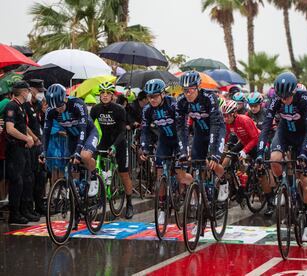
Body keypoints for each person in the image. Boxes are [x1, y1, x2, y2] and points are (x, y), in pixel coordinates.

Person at [256, 72, 307, 241]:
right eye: (281, 97)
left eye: (287, 97)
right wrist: (260, 153)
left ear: (294, 91)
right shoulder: (275, 100)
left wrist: (305, 152)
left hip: (303, 135)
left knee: (305, 179)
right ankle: (285, 187)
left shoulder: (304, 98)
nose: (284, 100)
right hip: (284, 132)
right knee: (274, 159)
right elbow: (266, 127)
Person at [139, 79, 193, 224]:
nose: (152, 99)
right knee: (159, 175)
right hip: (164, 141)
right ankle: (162, 208)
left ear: (163, 94)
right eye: (149, 97)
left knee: (180, 175)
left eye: (155, 96)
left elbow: (183, 128)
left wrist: (183, 150)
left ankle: (193, 190)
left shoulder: (173, 105)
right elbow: (144, 131)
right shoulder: (147, 109)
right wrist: (145, 148)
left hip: (179, 139)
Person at [176, 71, 228, 201]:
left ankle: (223, 181)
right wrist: (183, 150)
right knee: (195, 162)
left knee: (213, 162)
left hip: (216, 129)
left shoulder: (209, 97)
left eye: (191, 90)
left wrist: (212, 152)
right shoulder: (181, 101)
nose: (187, 93)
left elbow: (215, 124)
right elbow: (181, 128)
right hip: (200, 132)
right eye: (185, 90)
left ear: (198, 87)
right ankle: (200, 192)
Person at [41, 84, 99, 198]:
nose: (58, 110)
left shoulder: (78, 104)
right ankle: (77, 194)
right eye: (55, 108)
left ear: (65, 98)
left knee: (84, 156)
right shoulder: (50, 111)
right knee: (71, 164)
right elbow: (46, 133)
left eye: (60, 106)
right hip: (72, 137)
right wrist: (44, 152)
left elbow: (83, 130)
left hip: (88, 133)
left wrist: (78, 151)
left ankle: (94, 177)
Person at [90, 82, 134, 219]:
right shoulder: (95, 109)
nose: (104, 96)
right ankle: (99, 194)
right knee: (97, 168)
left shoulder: (119, 109)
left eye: (107, 93)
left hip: (119, 143)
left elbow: (122, 132)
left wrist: (114, 146)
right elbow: (90, 128)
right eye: (102, 93)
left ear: (112, 95)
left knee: (124, 174)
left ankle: (129, 203)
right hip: (104, 142)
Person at [4, 81, 38, 224]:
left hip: (24, 147)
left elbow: (23, 126)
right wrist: (26, 138)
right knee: (17, 181)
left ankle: (25, 210)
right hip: (15, 147)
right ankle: (14, 214)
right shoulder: (11, 106)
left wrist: (33, 137)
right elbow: (10, 129)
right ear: (23, 92)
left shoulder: (21, 106)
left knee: (27, 179)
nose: (29, 93)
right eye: (28, 90)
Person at [25, 79, 47, 216]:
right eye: (38, 91)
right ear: (31, 90)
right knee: (30, 177)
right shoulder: (25, 105)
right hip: (31, 145)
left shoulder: (39, 104)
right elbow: (24, 125)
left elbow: (41, 122)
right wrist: (34, 137)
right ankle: (29, 207)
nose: (40, 94)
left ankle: (40, 205)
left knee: (42, 176)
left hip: (40, 144)